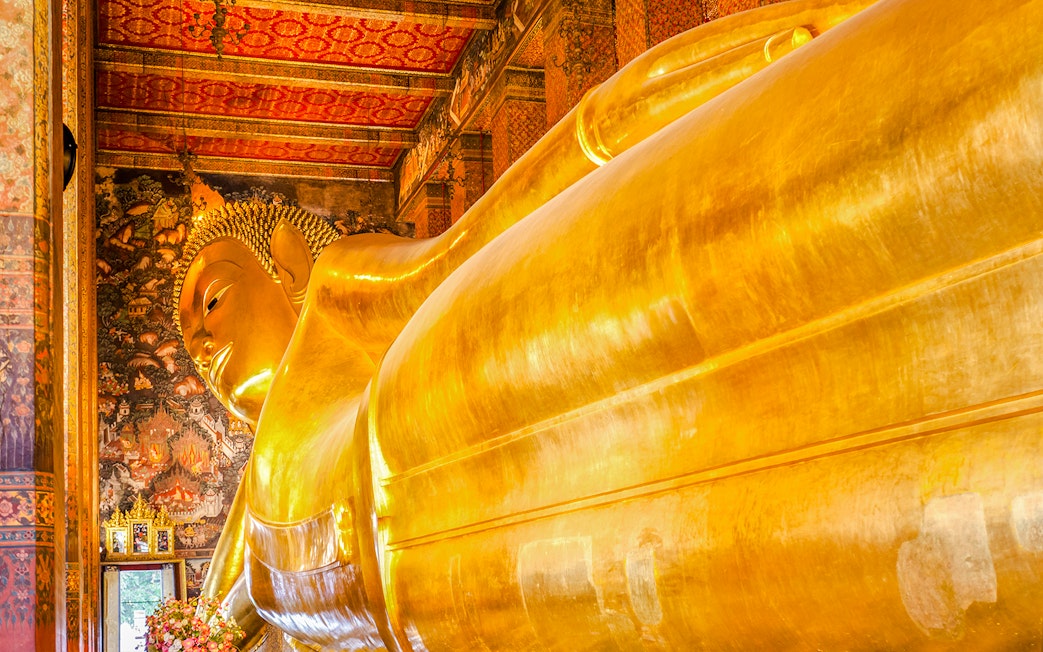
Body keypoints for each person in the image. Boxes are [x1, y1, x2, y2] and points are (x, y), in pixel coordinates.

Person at [176, 0, 1043, 648]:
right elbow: (238, 607)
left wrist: (641, 105)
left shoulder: (339, 297)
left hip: (455, 401)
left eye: (211, 301)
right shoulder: (256, 520)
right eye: (187, 345)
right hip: (495, 605)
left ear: (283, 264)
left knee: (844, 215)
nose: (203, 345)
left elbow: (483, 231)